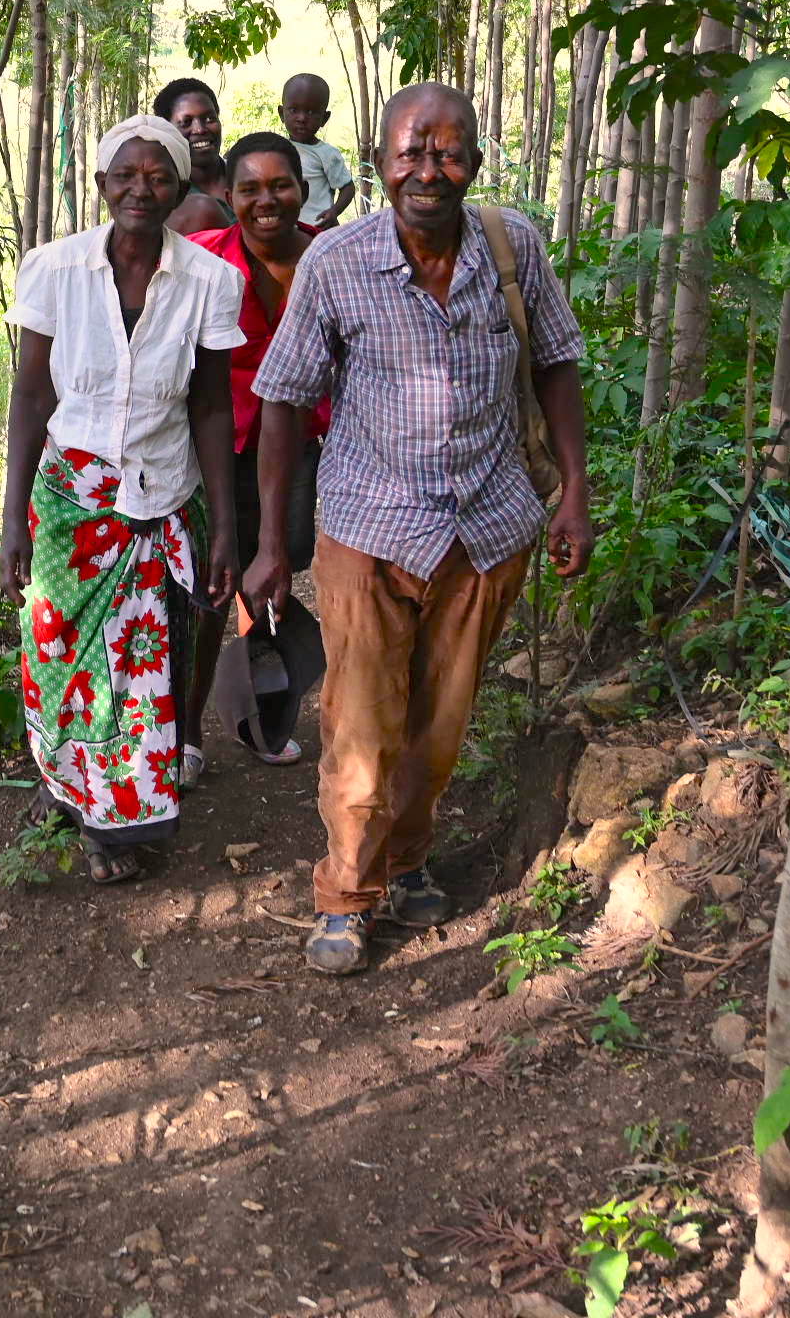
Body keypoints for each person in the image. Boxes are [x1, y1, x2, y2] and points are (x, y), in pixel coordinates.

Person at [245, 81, 592, 975]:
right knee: (361, 724)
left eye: (446, 152)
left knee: (438, 730)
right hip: (369, 528)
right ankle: (346, 895)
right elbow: (281, 399)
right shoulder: (337, 263)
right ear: (380, 162)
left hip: (486, 529)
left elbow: (555, 364)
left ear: (473, 161)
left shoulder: (513, 249)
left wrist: (575, 491)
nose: (428, 170)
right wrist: (274, 546)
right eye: (411, 152)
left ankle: (404, 860)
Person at [0, 113, 244, 884]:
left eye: (159, 175)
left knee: (148, 665)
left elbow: (210, 408)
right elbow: (31, 397)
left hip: (163, 497)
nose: (143, 188)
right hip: (71, 500)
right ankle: (70, 788)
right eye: (126, 176)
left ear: (179, 187)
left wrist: (225, 530)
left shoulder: (211, 280)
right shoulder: (54, 268)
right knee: (58, 655)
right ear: (102, 185)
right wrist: (12, 519)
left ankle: (126, 825)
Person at [183, 133, 331, 768]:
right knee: (211, 590)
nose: (265, 201)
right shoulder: (201, 261)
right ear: (228, 195)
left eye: (279, 186)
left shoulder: (333, 258)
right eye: (249, 189)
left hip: (300, 444)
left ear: (302, 189)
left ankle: (264, 699)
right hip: (218, 447)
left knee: (280, 564)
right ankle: (188, 735)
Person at [153, 77, 232, 235]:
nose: (200, 129)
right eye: (186, 122)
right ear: (166, 131)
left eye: (209, 119)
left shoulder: (246, 175)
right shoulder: (161, 198)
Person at [279, 73, 357, 228]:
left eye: (311, 112)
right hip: (286, 230)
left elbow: (348, 188)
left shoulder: (326, 154)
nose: (301, 118)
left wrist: (334, 211)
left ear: (324, 119)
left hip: (318, 229)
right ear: (282, 113)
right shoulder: (278, 148)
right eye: (294, 110)